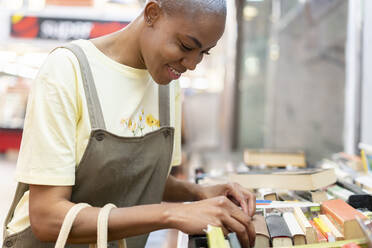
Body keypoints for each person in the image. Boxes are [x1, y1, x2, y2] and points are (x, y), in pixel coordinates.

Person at [3, 0, 256, 247]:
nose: (191, 64)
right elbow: (47, 218)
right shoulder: (68, 71)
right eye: (186, 46)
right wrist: (172, 214)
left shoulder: (168, 86)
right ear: (152, 14)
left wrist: (199, 193)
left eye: (204, 53)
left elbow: (140, 176)